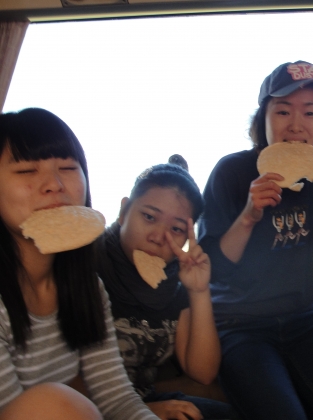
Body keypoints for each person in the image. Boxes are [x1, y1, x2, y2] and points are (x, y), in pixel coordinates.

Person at [198, 60, 313, 420]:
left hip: (310, 317)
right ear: (263, 119)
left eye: (311, 112)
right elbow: (212, 269)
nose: (296, 124)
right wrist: (248, 216)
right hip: (240, 325)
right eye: (282, 111)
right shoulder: (232, 172)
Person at [0, 107, 159, 420]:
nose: (54, 183)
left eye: (68, 167)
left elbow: (116, 399)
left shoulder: (87, 287)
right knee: (50, 402)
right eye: (26, 170)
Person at [96, 155, 240, 420]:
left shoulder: (174, 280)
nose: (158, 237)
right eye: (149, 217)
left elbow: (203, 372)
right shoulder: (88, 266)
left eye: (176, 229)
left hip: (144, 398)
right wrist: (139, 412)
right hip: (89, 408)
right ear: (124, 211)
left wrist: (198, 290)